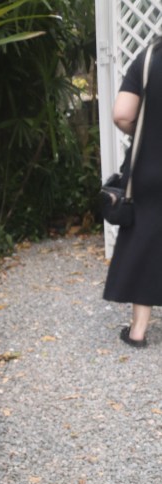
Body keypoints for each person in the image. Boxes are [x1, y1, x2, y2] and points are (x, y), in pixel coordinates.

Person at [103, 40, 162, 347]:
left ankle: (138, 331)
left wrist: (147, 130)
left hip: (150, 166)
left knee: (145, 237)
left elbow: (122, 115)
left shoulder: (149, 58)